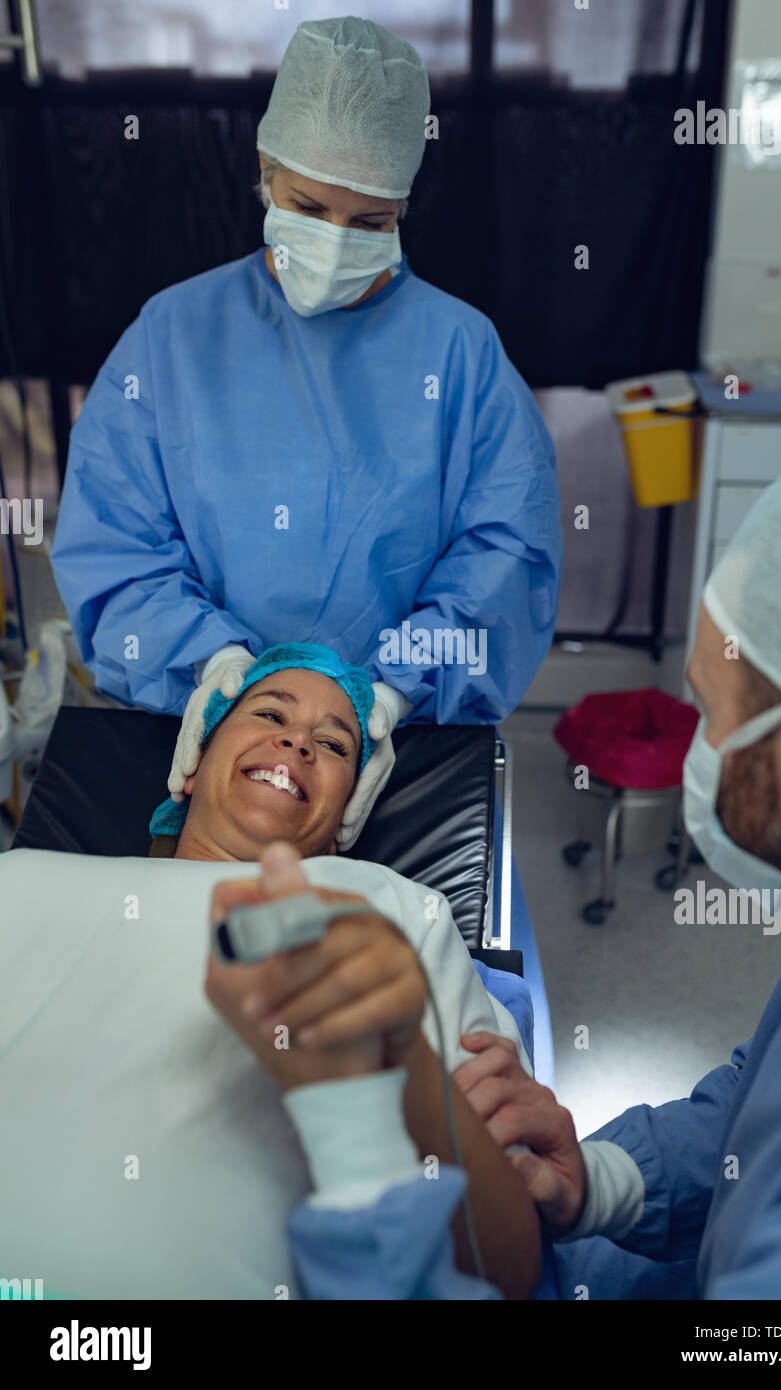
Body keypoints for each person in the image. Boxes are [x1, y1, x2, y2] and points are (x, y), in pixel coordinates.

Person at [273, 424, 781, 1299]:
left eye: (708, 714)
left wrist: (352, 1127)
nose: (690, 746)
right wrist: (607, 1182)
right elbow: (763, 1102)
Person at [49, 15, 563, 855]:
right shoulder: (175, 336)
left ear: (404, 210)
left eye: (368, 224)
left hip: (392, 738)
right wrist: (211, 670)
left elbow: (506, 557)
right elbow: (115, 545)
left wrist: (393, 694)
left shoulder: (460, 354)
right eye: (310, 206)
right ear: (264, 172)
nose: (332, 241)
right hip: (209, 721)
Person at [0, 644, 539, 1299]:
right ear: (193, 763)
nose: (297, 741)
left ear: (347, 819)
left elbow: (506, 1265)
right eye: (267, 713)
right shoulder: (19, 881)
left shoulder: (392, 906)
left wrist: (401, 1065)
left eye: (336, 746)